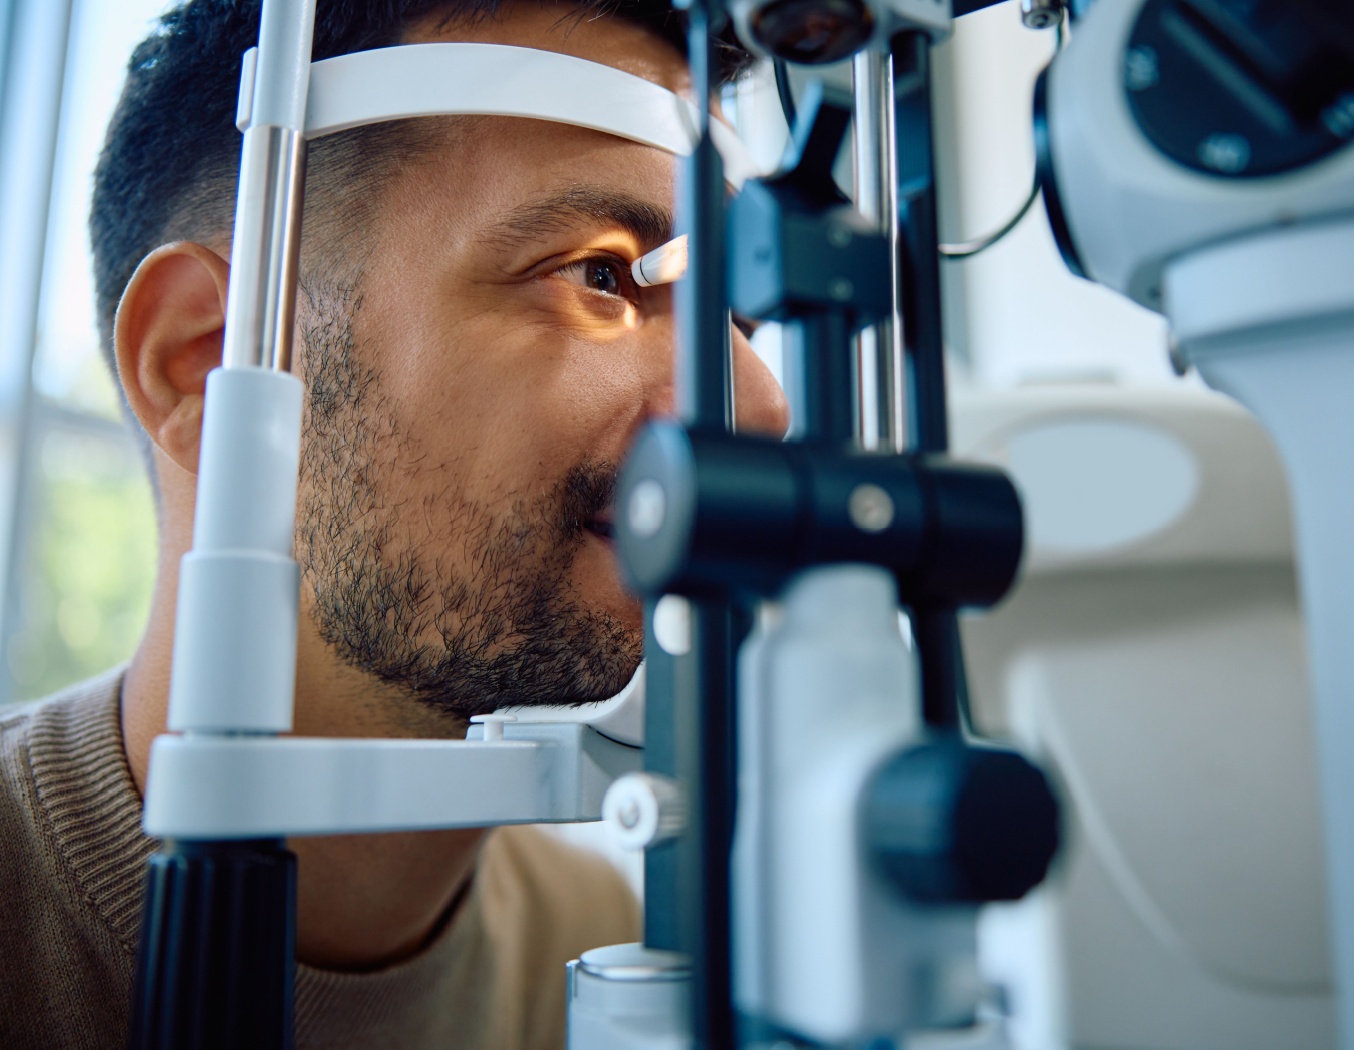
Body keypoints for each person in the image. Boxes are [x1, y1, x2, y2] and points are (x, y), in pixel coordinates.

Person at [0, 0, 788, 1046]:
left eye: (735, 315)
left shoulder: (608, 952)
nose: (761, 400)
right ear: (205, 361)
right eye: (601, 275)